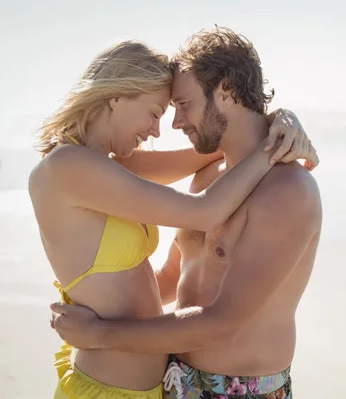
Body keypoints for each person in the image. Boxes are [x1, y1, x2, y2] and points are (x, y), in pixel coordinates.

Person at [30, 38, 318, 399]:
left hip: (214, 388)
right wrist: (271, 142)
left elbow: (207, 309)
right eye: (159, 111)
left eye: (182, 106)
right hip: (151, 382)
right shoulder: (76, 166)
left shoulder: (286, 190)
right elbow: (193, 234)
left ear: (226, 92)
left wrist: (280, 122)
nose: (168, 125)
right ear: (117, 96)